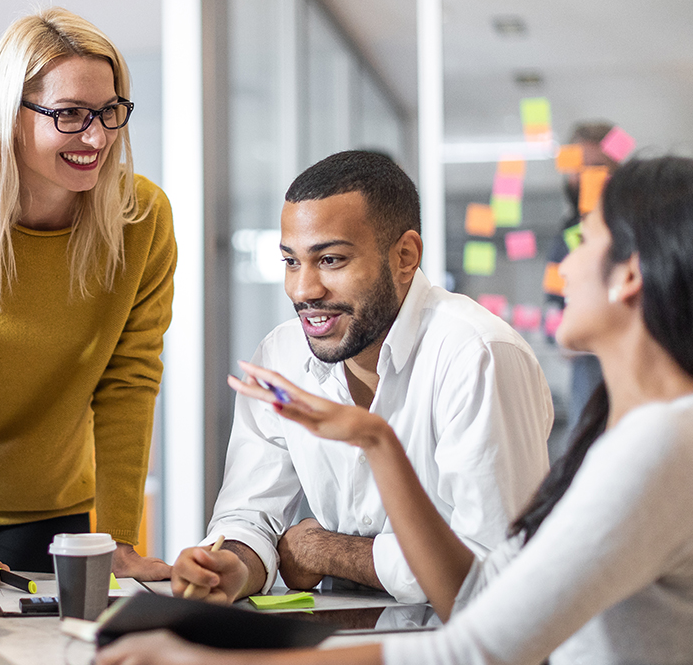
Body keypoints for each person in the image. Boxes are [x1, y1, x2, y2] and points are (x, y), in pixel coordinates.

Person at [98, 155, 693, 664]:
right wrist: (375, 444)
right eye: (290, 261)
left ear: (632, 274)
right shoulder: (634, 435)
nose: (562, 267)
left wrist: (213, 659)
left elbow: (478, 643)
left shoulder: (658, 444)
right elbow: (483, 594)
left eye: (583, 241)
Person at [172, 151, 552, 605]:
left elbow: (495, 572)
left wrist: (325, 551)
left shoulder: (478, 355)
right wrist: (230, 566)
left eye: (330, 260)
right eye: (291, 262)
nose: (303, 290)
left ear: (405, 257)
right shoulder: (282, 354)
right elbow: (250, 516)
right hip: (345, 630)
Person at [0, 7, 176, 578]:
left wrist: (119, 539)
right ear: (10, 116)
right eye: (71, 114)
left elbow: (130, 381)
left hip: (65, 518)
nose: (97, 137)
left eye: (108, 112)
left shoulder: (141, 218)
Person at [544, 122, 619, 461]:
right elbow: (554, 330)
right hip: (589, 393)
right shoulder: (563, 243)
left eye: (594, 167)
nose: (582, 178)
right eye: (576, 169)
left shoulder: (642, 236)